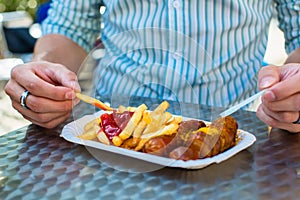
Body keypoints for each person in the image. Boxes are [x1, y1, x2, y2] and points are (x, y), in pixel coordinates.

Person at [4, 0, 300, 132]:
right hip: (112, 136)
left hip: (231, 138)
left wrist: (292, 95)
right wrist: (42, 72)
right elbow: (69, 26)